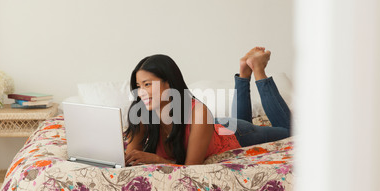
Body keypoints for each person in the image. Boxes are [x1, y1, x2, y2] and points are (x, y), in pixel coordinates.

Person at [124, 47, 291, 166]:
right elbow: (131, 158)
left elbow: (192, 169)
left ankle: (258, 70)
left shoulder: (198, 112)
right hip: (212, 128)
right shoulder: (142, 114)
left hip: (236, 134)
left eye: (147, 84)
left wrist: (157, 160)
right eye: (138, 86)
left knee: (292, 133)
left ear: (168, 84)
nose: (141, 92)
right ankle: (244, 73)